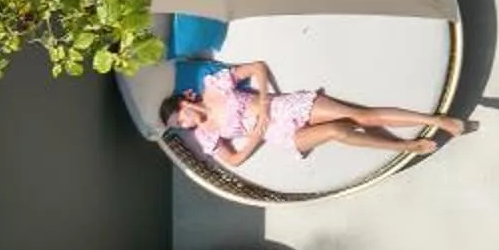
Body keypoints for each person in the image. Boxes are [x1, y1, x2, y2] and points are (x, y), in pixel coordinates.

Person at [158, 56, 469, 171]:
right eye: (179, 127)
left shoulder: (215, 86)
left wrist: (265, 101)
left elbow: (257, 67)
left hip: (287, 106)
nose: (184, 126)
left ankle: (436, 120)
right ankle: (406, 146)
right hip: (280, 134)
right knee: (339, 131)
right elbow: (235, 160)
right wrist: (255, 134)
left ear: (186, 102)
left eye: (180, 119)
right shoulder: (205, 135)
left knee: (362, 116)